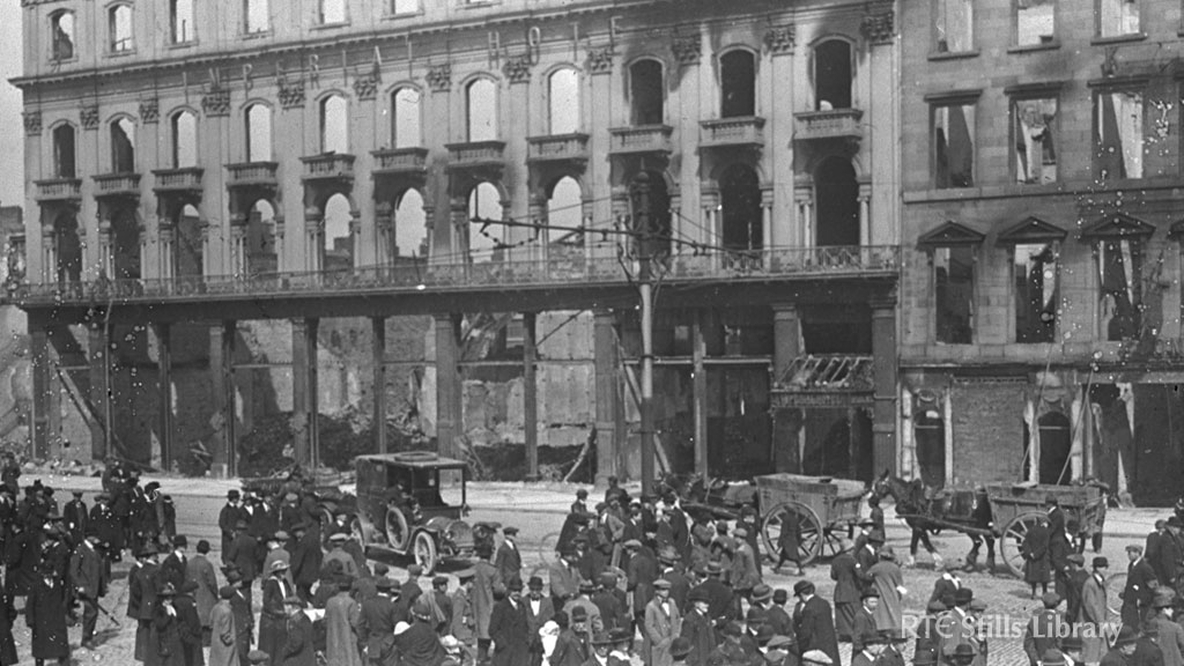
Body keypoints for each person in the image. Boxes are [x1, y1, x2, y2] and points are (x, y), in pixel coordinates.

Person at [69, 531, 107, 650]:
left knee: (93, 613)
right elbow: (73, 571)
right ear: (88, 537)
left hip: (94, 587)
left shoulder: (93, 550)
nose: (97, 538)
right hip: (86, 589)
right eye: (94, 536)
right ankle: (86, 639)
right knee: (91, 613)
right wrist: (80, 585)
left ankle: (88, 637)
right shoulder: (80, 550)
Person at [27, 569, 70, 666]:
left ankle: (64, 663)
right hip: (41, 620)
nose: (48, 576)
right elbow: (30, 604)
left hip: (56, 618)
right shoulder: (36, 585)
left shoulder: (58, 583)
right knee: (40, 649)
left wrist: (63, 609)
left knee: (61, 646)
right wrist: (30, 620)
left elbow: (64, 596)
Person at [793, 580, 840, 666]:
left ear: (801, 595)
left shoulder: (809, 609)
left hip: (816, 646)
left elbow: (806, 631)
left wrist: (800, 646)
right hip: (829, 642)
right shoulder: (824, 603)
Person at [358, 578, 400, 666]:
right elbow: (397, 626)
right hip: (389, 643)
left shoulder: (367, 604)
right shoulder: (392, 606)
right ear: (389, 590)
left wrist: (364, 643)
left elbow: (360, 625)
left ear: (376, 589)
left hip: (373, 643)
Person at [260, 560, 295, 666]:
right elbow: (267, 602)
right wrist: (278, 612)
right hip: (273, 617)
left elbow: (289, 595)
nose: (283, 573)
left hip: (284, 614)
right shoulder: (271, 583)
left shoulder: (284, 582)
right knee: (272, 644)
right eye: (281, 571)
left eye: (284, 571)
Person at [490, 576, 530, 666]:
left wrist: (526, 642)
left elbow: (525, 626)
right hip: (504, 653)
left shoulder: (522, 606)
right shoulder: (500, 607)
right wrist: (502, 644)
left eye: (519, 591)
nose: (517, 593)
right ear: (509, 591)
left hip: (520, 651)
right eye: (514, 590)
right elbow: (492, 629)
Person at [188, 539, 219, 646]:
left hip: (193, 593)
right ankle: (206, 642)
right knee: (207, 620)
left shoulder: (190, 563)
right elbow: (212, 582)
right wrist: (216, 594)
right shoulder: (207, 564)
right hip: (206, 595)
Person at [646, 578, 683, 666]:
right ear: (657, 591)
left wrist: (677, 633)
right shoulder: (651, 606)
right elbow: (649, 626)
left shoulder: (672, 602)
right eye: (663, 590)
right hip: (661, 642)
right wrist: (659, 641)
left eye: (667, 590)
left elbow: (678, 618)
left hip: (673, 640)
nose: (666, 592)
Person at [869, 545, 905, 635]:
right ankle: (895, 629)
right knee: (894, 611)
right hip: (893, 592)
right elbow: (900, 583)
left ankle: (882, 629)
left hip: (880, 592)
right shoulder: (895, 568)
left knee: (881, 611)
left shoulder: (876, 567)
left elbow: (866, 576)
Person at [326, 579, 363, 666]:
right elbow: (356, 623)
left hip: (332, 639)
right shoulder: (351, 602)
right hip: (348, 640)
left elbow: (325, 620)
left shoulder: (330, 602)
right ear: (350, 588)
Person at [1024, 592, 1068, 666]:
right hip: (1055, 662)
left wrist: (1037, 660)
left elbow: (1028, 644)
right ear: (1057, 605)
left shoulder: (1034, 621)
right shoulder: (1061, 623)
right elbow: (1061, 644)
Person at [474, 544, 501, 663]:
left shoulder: (474, 568)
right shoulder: (492, 571)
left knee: (480, 633)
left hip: (475, 604)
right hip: (488, 604)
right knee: (490, 631)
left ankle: (480, 658)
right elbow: (498, 589)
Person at [1082, 557, 1110, 665]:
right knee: (1091, 654)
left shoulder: (1100, 581)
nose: (1106, 570)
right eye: (1104, 567)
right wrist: (1101, 622)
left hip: (1098, 624)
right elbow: (1091, 605)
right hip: (1092, 625)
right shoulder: (1090, 583)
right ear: (1097, 568)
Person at [680, 587, 716, 666]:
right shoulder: (690, 619)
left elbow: (711, 639)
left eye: (708, 603)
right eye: (704, 602)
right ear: (695, 603)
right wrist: (691, 660)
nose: (707, 605)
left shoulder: (707, 618)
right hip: (697, 661)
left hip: (708, 659)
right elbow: (687, 642)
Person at [1124, 545, 1157, 629]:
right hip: (1131, 600)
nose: (1128, 555)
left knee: (1140, 624)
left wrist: (1143, 599)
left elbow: (1152, 585)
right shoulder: (1132, 565)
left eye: (1130, 553)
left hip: (1141, 602)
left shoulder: (1145, 567)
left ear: (1137, 553)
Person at [831, 548, 858, 641]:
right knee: (853, 612)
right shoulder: (853, 560)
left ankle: (844, 634)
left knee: (841, 614)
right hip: (851, 589)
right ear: (850, 550)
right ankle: (854, 634)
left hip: (839, 590)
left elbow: (833, 575)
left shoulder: (835, 560)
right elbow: (859, 574)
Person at [280, 597, 315, 666]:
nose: (284, 609)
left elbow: (296, 643)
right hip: (308, 658)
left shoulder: (294, 621)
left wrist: (284, 652)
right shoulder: (305, 617)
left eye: (286, 606)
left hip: (297, 660)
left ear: (291, 607)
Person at [209, 587, 239, 666]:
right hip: (225, 647)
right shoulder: (227, 611)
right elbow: (225, 632)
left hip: (216, 642)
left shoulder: (216, 607)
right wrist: (231, 641)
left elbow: (211, 623)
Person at [1024, 516, 1053, 599]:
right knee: (1044, 577)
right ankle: (1044, 592)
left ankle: (1033, 593)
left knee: (1033, 576)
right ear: (1044, 523)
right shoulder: (1046, 532)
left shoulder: (1031, 530)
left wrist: (1030, 553)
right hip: (1042, 557)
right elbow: (1045, 546)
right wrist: (1037, 554)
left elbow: (1025, 543)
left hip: (1032, 558)